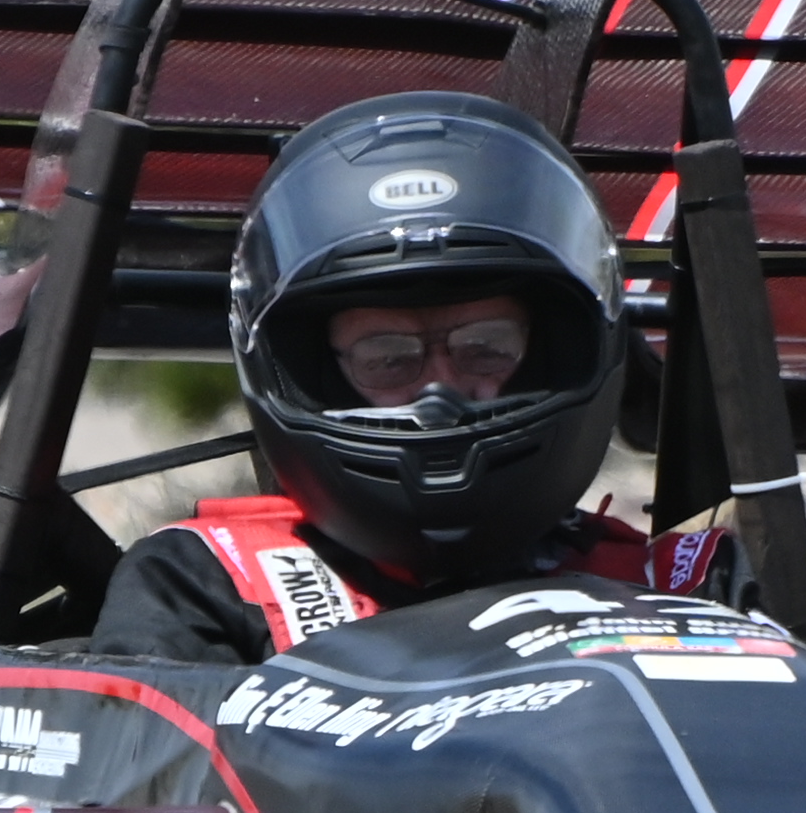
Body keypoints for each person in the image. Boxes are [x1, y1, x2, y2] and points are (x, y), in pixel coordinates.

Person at [81, 90, 746, 663]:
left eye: (483, 348)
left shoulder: (685, 589)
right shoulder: (210, 583)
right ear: (322, 372)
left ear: (547, 352)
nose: (440, 396)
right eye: (389, 358)